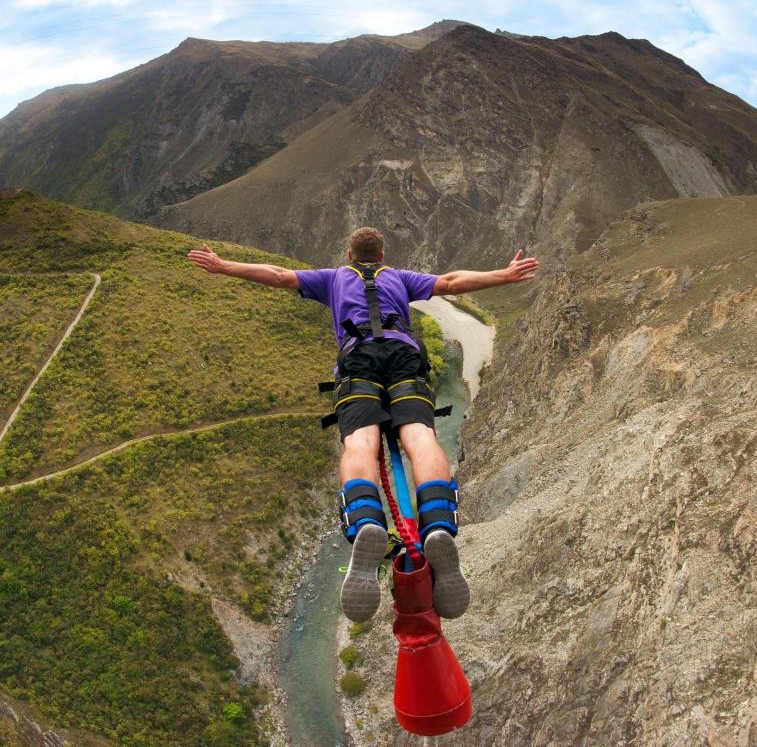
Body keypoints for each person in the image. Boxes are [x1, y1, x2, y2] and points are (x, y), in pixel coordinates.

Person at [187, 228, 538, 622]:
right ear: (382, 254)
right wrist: (504, 276)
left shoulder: (334, 278)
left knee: (360, 442)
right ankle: (437, 522)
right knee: (420, 437)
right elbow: (453, 281)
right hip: (404, 359)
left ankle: (368, 521)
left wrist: (223, 267)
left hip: (359, 365)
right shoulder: (400, 277)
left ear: (349, 254)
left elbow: (278, 274)